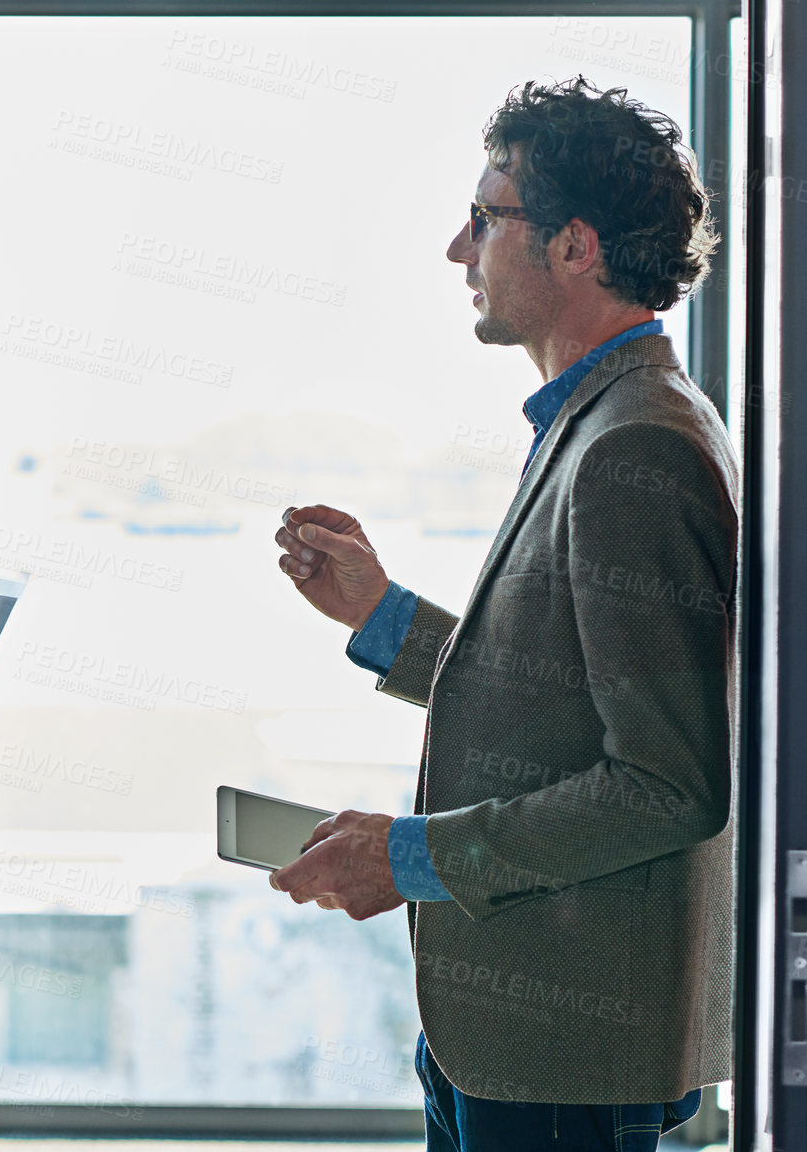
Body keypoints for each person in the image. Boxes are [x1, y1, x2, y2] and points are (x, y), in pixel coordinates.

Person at [270, 78, 738, 1151]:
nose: (457, 248)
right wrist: (382, 615)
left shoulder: (638, 445)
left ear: (574, 246)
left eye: (486, 218)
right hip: (518, 1050)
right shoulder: (603, 422)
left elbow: (668, 784)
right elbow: (555, 696)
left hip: (572, 1060)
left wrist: (411, 856)